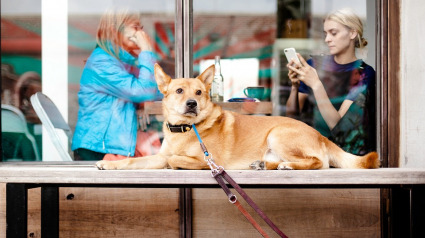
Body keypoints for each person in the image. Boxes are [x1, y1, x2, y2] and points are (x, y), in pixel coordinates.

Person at [71, 8, 162, 160]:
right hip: (98, 150)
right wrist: (146, 51)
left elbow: (154, 91)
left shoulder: (122, 62)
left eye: (141, 28)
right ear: (114, 31)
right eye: (135, 27)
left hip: (110, 148)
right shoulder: (102, 61)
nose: (141, 34)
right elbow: (143, 92)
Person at [286, 8, 376, 155]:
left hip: (347, 155)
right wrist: (295, 87)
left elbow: (337, 125)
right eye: (326, 34)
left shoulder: (364, 74)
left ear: (353, 33)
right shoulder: (314, 65)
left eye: (333, 33)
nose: (327, 39)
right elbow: (291, 115)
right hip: (312, 151)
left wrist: (316, 84)